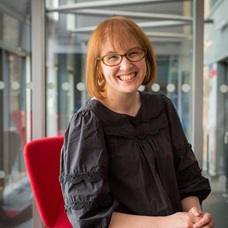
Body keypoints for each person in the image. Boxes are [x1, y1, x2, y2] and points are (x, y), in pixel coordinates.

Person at [60, 16, 215, 228]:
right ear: (98, 67)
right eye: (112, 57)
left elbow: (186, 177)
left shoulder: (162, 107)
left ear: (146, 56)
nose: (126, 65)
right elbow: (89, 216)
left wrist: (194, 217)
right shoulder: (88, 122)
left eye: (133, 52)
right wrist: (165, 224)